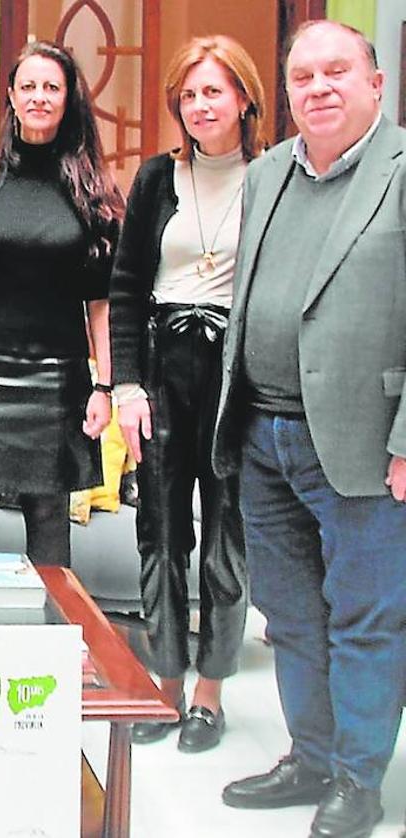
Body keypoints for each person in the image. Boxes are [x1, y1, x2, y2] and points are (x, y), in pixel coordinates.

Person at [213, 21, 406, 838]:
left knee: (366, 618)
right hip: (263, 433)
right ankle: (312, 756)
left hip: (363, 442)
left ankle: (359, 779)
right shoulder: (265, 175)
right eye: (302, 77)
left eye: (337, 72)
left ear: (376, 84)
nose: (318, 88)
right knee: (290, 614)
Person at [108, 36, 264, 753]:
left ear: (244, 98)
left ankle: (210, 692)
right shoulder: (154, 180)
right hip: (163, 366)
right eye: (189, 94)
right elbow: (127, 286)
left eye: (214, 91)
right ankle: (163, 681)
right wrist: (127, 384)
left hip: (241, 373)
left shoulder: (274, 178)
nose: (201, 105)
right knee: (162, 532)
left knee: (227, 538)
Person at [0, 41, 122, 568]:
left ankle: (48, 646)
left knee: (47, 518)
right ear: (11, 96)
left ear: (68, 98)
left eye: (51, 87)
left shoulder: (95, 190)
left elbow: (101, 300)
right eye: (28, 86)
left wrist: (105, 383)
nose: (39, 97)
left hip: (56, 379)